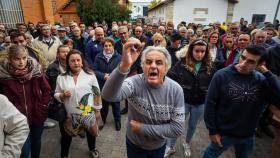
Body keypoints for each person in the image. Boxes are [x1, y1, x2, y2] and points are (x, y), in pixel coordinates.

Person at [102, 38, 185, 158]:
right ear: (142, 65)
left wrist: (142, 128)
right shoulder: (134, 82)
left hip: (158, 146)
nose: (153, 66)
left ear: (167, 68)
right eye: (148, 62)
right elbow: (108, 95)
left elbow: (177, 128)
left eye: (159, 63)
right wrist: (125, 65)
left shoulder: (176, 90)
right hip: (134, 144)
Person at [203, 45, 280, 158]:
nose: (243, 64)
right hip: (224, 133)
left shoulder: (261, 80)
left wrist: (268, 74)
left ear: (260, 64)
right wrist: (212, 131)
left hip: (247, 135)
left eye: (251, 62)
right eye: (243, 58)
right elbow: (209, 104)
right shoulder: (222, 75)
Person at [165, 39, 216, 158]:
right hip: (183, 101)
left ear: (206, 52)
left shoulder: (211, 66)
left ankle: (187, 143)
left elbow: (215, 83)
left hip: (200, 103)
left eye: (203, 51)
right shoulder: (182, 63)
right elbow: (170, 78)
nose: (199, 54)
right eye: (197, 51)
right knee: (177, 123)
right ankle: (170, 146)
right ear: (191, 50)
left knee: (192, 126)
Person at [0, 45, 51, 158]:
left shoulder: (36, 71)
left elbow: (47, 90)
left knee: (36, 142)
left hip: (36, 115)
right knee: (23, 149)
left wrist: (42, 106)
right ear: (9, 58)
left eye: (24, 58)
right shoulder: (3, 75)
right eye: (17, 59)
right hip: (15, 121)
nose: (21, 62)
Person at [54, 49, 102, 158]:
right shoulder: (61, 77)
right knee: (66, 136)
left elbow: (97, 93)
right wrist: (61, 95)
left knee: (91, 133)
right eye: (72, 61)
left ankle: (92, 148)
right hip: (69, 115)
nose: (76, 63)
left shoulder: (90, 75)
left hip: (87, 113)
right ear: (68, 62)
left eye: (78, 60)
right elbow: (56, 93)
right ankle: (65, 154)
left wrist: (98, 110)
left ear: (82, 61)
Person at [92, 38, 122, 131]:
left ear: (113, 46)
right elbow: (95, 70)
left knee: (116, 103)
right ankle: (103, 120)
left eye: (110, 45)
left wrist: (113, 76)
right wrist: (103, 75)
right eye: (105, 46)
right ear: (103, 46)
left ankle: (117, 120)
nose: (108, 47)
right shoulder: (98, 56)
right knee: (104, 104)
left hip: (114, 84)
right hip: (103, 84)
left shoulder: (119, 57)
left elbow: (121, 70)